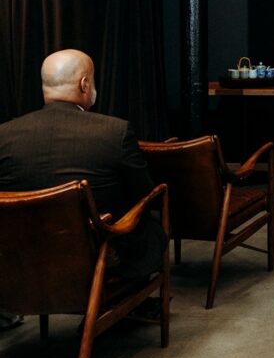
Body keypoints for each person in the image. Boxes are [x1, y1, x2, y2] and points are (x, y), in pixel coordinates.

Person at [0, 49, 166, 286]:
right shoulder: (113, 132)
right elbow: (144, 193)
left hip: (24, 261)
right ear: (85, 84)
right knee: (150, 229)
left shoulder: (4, 135)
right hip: (97, 258)